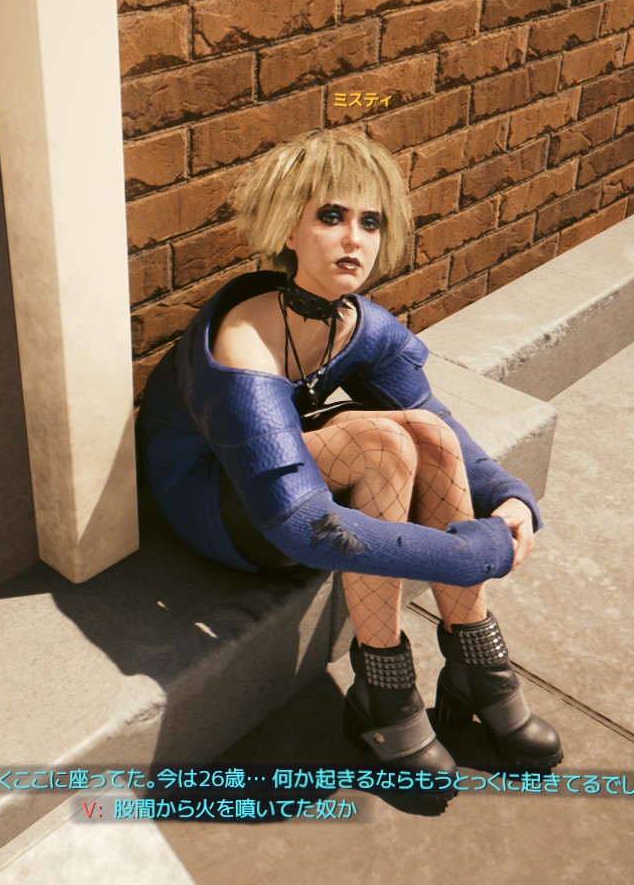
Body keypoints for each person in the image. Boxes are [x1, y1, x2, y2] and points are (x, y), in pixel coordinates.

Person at [137, 127, 562, 788]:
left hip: (282, 473)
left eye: (370, 222)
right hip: (219, 507)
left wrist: (508, 495)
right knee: (380, 443)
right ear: (289, 226)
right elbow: (302, 526)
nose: (354, 239)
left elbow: (440, 420)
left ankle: (476, 657)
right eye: (331, 216)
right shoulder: (243, 341)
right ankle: (385, 686)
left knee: (426, 433)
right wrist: (470, 553)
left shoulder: (356, 323)